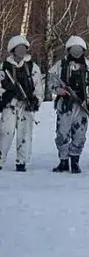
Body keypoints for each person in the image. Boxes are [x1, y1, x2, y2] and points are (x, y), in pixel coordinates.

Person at [47, 36, 89, 173]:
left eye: (79, 49)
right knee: (62, 133)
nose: (76, 52)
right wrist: (58, 90)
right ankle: (63, 161)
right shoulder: (61, 64)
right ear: (69, 50)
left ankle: (75, 161)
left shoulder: (88, 65)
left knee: (80, 134)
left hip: (81, 105)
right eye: (74, 49)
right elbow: (51, 81)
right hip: (65, 105)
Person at [0, 35, 43, 172]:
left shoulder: (32, 67)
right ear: (13, 50)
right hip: (10, 105)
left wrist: (36, 100)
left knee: (24, 133)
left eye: (23, 49)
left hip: (26, 105)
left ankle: (21, 161)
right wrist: (6, 95)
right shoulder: (4, 67)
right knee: (5, 132)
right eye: (18, 49)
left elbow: (38, 87)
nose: (21, 52)